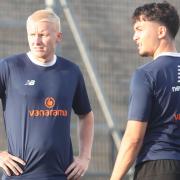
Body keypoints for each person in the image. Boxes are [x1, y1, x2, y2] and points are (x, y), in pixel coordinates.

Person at [0, 9, 94, 180]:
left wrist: (84, 158)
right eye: (32, 34)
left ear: (58, 37)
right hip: (19, 175)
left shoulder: (71, 71)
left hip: (61, 174)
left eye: (43, 35)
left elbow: (86, 115)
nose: (36, 41)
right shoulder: (9, 67)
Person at [110, 1, 180, 180]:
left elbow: (133, 138)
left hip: (158, 167)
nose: (135, 36)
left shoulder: (147, 74)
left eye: (140, 29)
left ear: (161, 31)